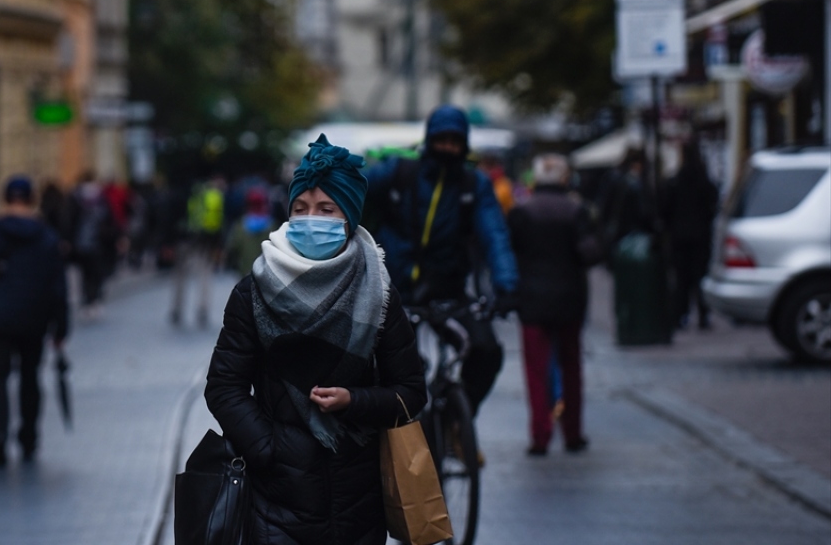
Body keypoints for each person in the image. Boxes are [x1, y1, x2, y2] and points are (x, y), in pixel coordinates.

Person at [206, 135, 427, 543]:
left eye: (326, 210)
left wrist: (354, 401)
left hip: (358, 502)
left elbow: (410, 392)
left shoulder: (379, 294)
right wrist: (268, 450)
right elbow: (224, 386)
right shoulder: (254, 290)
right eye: (300, 209)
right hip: (275, 502)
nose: (311, 219)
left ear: (349, 217)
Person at [366, 105, 519, 418]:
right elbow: (352, 190)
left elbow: (495, 235)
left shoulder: (473, 185)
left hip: (448, 290)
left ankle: (456, 420)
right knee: (393, 364)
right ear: (429, 140)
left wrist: (506, 285)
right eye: (441, 140)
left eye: (455, 141)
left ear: (464, 145)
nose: (447, 147)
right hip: (391, 290)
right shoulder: (398, 172)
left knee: (486, 351)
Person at [0, 177, 69, 468]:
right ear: (31, 200)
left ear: (5, 199)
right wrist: (60, 326)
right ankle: (28, 437)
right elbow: (58, 287)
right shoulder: (46, 237)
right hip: (34, 318)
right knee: (30, 378)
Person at [506, 155, 604, 456]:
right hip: (569, 298)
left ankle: (540, 434)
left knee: (535, 371)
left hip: (532, 299)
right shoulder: (576, 210)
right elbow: (589, 253)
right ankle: (572, 432)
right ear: (564, 179)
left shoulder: (522, 212)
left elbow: (512, 251)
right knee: (571, 366)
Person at [662, 140, 719, 330]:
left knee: (682, 279)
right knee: (699, 277)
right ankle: (703, 314)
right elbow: (713, 205)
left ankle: (681, 315)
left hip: (680, 237)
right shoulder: (703, 181)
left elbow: (665, 209)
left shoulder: (676, 181)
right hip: (700, 236)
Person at [171, 177, 226, 328]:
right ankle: (202, 309)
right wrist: (218, 246)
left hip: (185, 239)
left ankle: (177, 308)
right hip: (206, 242)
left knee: (181, 276)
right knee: (205, 275)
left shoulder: (187, 193)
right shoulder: (214, 196)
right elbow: (219, 222)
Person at [69, 172, 118, 319]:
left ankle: (88, 300)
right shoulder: (100, 198)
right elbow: (111, 219)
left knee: (86, 274)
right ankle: (93, 299)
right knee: (96, 273)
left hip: (84, 243)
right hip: (97, 243)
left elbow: (68, 220)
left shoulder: (75, 197)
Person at [222, 187, 273, 278]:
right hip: (266, 275)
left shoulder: (240, 226)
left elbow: (233, 247)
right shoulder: (272, 226)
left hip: (245, 273)